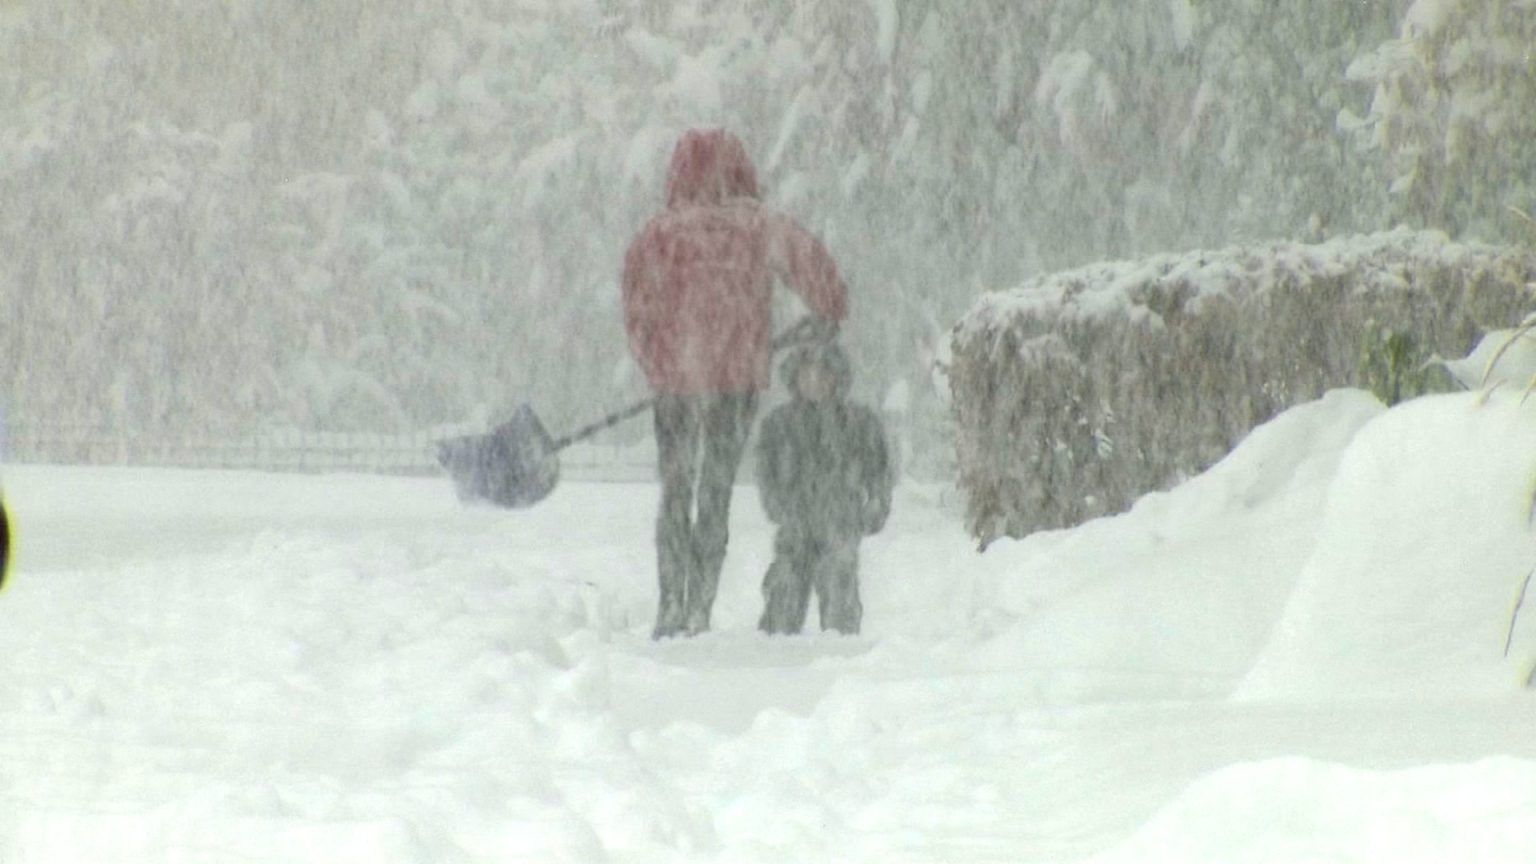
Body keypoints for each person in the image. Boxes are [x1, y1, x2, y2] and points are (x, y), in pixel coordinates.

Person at [623, 128, 847, 639]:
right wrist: (828, 310)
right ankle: (701, 603)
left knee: (676, 490)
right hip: (734, 379)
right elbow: (823, 280)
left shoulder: (659, 235)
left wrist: (658, 361)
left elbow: (636, 307)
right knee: (716, 489)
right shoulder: (758, 227)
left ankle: (671, 604)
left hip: (676, 381)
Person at [756, 341, 893, 636]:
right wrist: (781, 508)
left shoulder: (860, 423)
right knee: (785, 587)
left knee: (839, 583)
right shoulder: (779, 425)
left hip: (841, 524)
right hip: (795, 527)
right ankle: (774, 654)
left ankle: (841, 652)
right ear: (795, 378)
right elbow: (766, 475)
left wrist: (874, 510)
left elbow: (879, 474)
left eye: (824, 373)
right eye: (807, 373)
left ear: (838, 378)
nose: (815, 381)